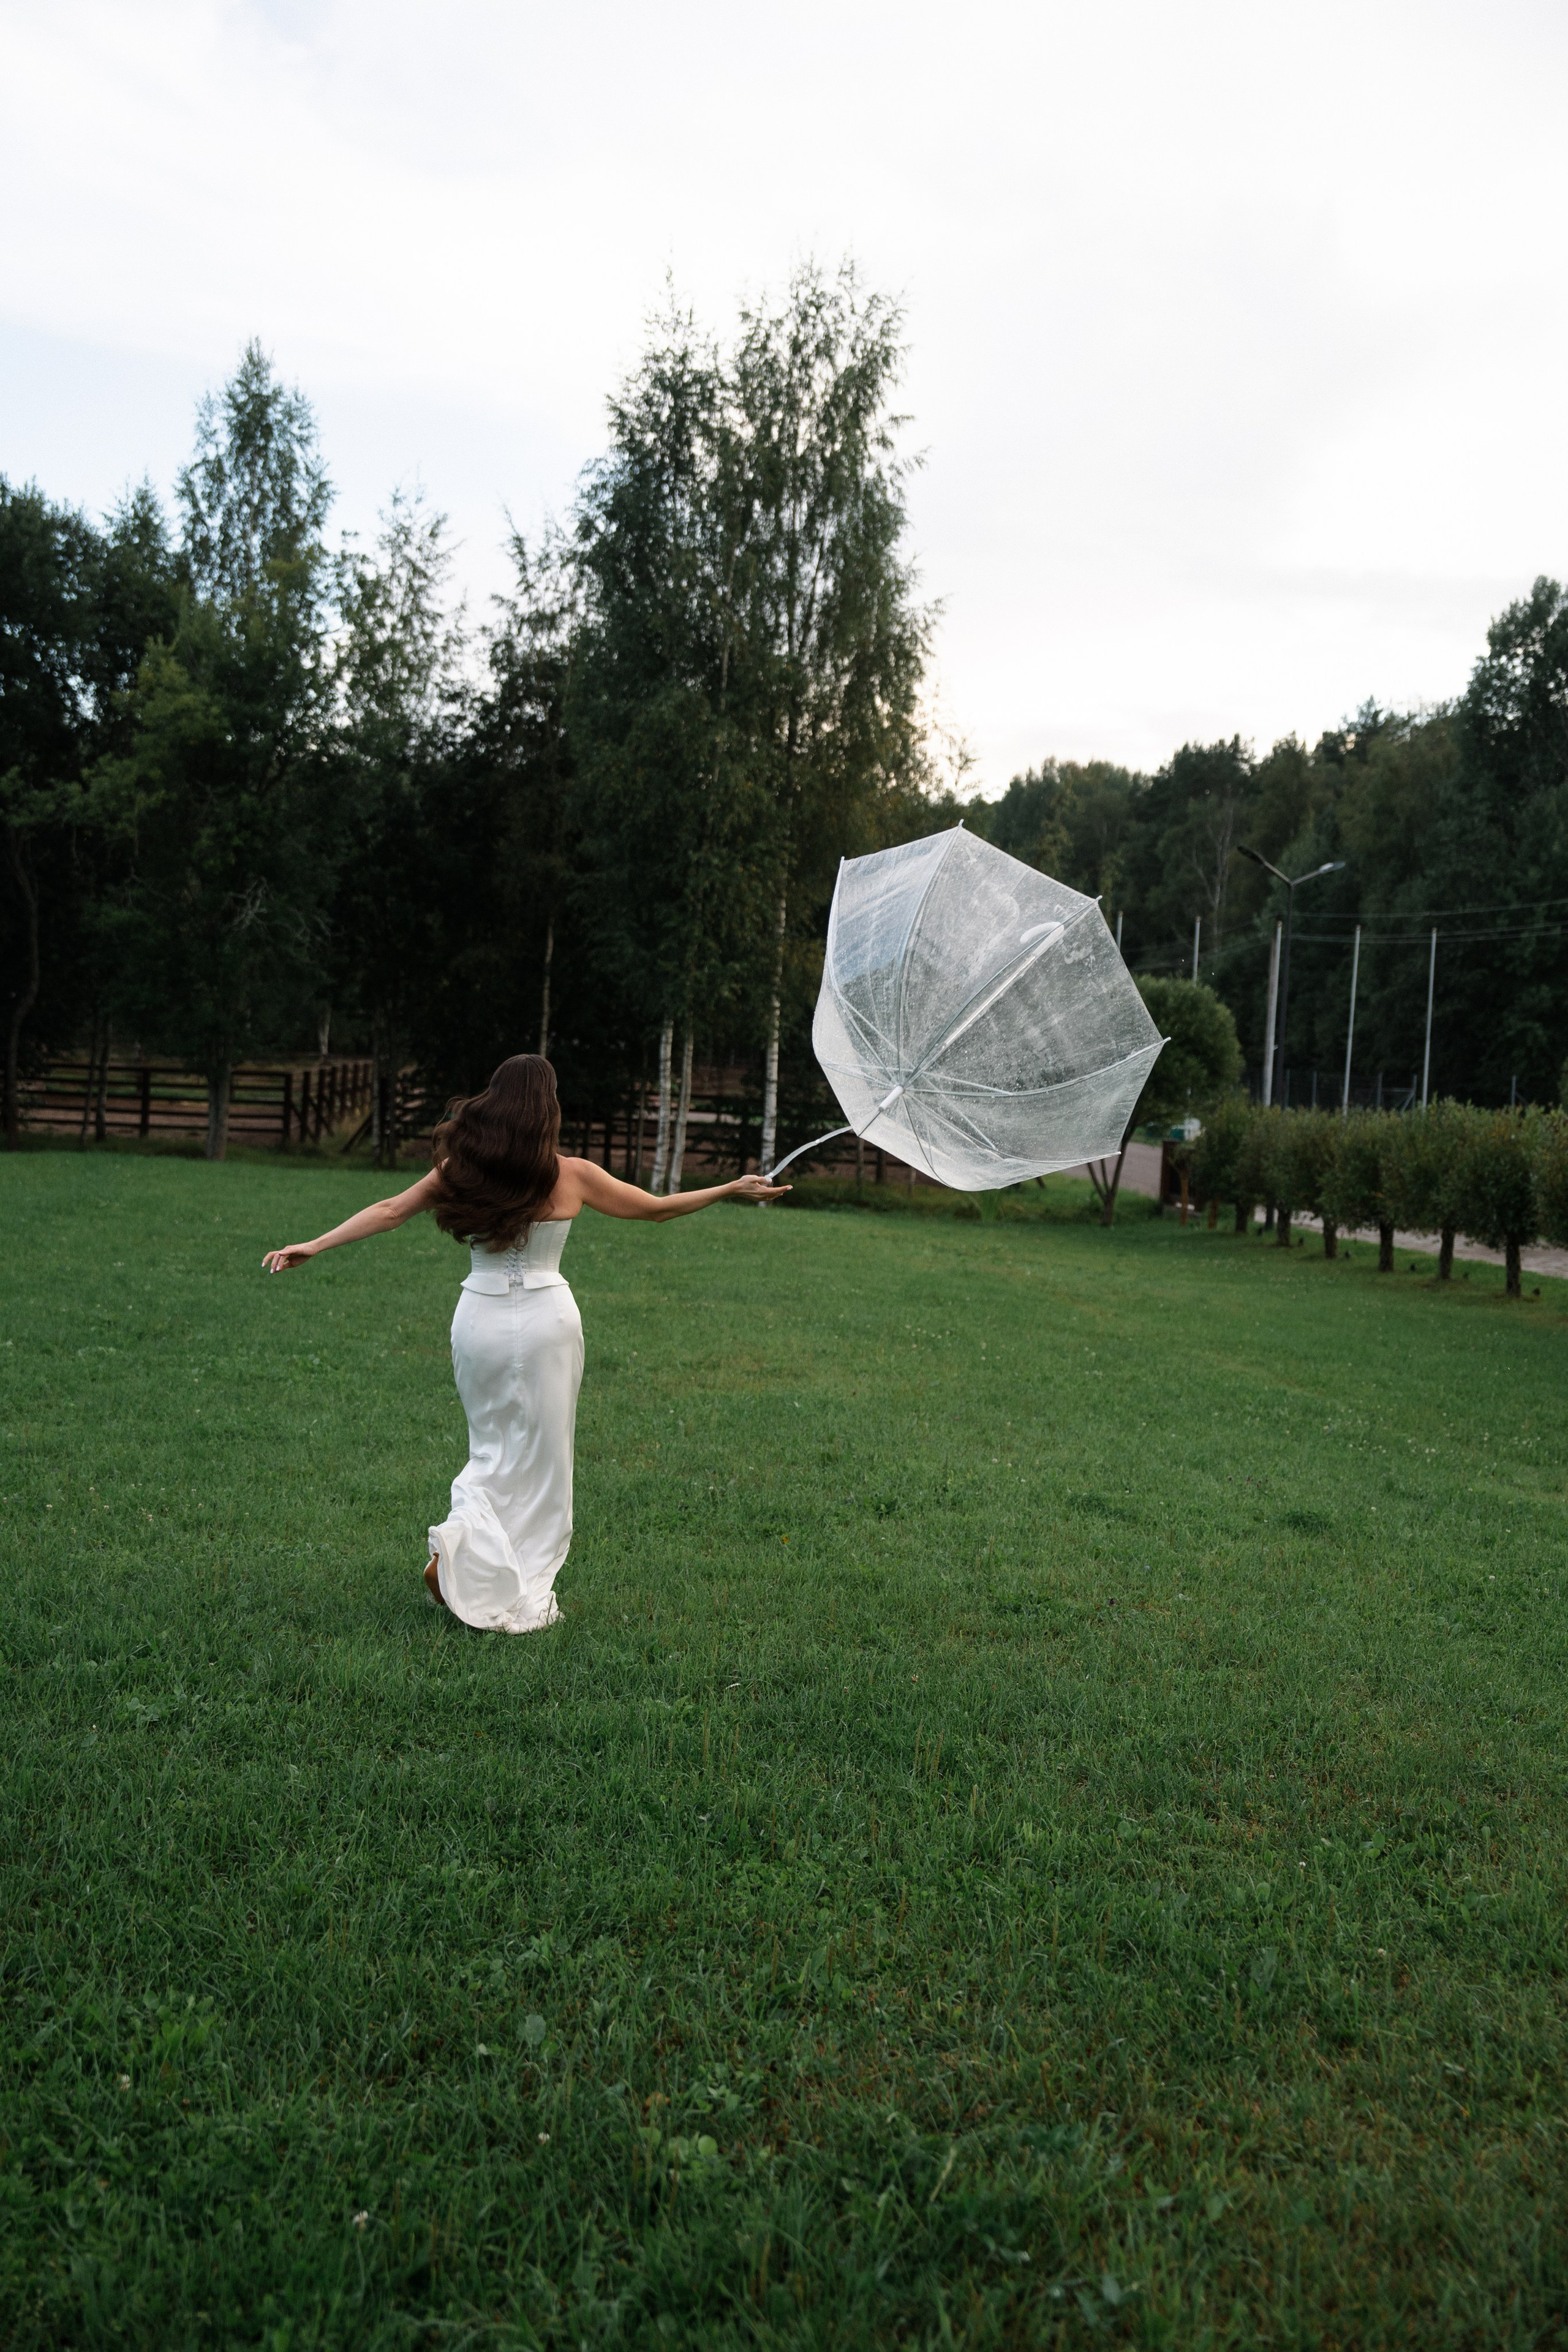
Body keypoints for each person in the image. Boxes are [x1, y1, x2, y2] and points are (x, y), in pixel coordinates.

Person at [262, 1054, 788, 1631]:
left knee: (490, 1446)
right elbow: (657, 1211)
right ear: (548, 1109)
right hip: (547, 1323)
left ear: (496, 1100)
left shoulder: (460, 1169)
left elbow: (390, 1211)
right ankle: (503, 1571)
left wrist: (315, 1244)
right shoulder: (573, 1174)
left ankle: (463, 1545)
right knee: (544, 1458)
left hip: (479, 1318)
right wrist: (731, 1187)